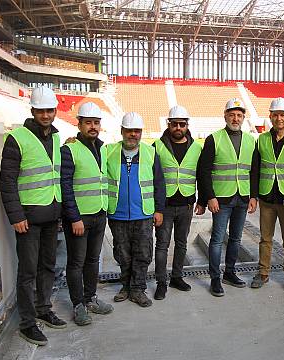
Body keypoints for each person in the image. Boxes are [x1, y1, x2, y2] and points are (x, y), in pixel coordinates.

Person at [0, 86, 66, 346]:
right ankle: (28, 323)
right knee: (27, 272)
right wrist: (16, 215)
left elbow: (54, 177)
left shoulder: (57, 139)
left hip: (51, 215)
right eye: (41, 111)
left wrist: (58, 210)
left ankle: (43, 308)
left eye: (50, 110)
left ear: (55, 111)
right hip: (27, 218)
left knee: (47, 266)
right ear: (33, 111)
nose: (46, 115)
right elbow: (7, 181)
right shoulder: (17, 138)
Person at [196, 98, 258, 297]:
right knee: (216, 240)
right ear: (225, 116)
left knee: (236, 238)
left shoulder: (250, 140)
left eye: (239, 115)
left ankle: (229, 273)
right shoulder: (214, 139)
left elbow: (254, 171)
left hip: (242, 197)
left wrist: (253, 196)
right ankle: (215, 278)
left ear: (243, 118)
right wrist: (209, 197)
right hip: (221, 198)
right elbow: (204, 171)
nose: (235, 118)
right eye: (232, 114)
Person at [60, 102, 114, 326]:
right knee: (76, 262)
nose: (93, 127)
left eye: (96, 123)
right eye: (88, 123)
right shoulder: (69, 149)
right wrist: (74, 218)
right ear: (79, 124)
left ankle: (91, 298)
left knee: (92, 260)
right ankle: (78, 304)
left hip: (99, 213)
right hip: (79, 218)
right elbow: (66, 186)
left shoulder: (102, 148)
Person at [107, 112, 166, 308]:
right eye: (129, 130)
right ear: (122, 131)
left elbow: (159, 183)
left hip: (144, 214)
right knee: (122, 253)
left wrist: (159, 210)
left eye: (137, 131)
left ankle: (138, 289)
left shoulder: (150, 153)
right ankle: (126, 286)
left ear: (141, 133)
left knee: (143, 253)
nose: (133, 134)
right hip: (118, 213)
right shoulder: (108, 152)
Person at [250, 97, 284, 292]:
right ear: (270, 117)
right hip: (266, 198)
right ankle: (263, 272)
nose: (279, 118)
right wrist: (254, 196)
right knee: (265, 238)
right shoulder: (262, 139)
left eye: (282, 115)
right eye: (275, 115)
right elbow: (255, 169)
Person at [153, 105, 202, 300]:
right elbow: (152, 177)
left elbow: (201, 175)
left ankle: (177, 277)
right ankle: (161, 282)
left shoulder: (197, 148)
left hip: (186, 205)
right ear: (169, 125)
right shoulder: (156, 146)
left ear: (187, 125)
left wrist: (202, 201)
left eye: (182, 124)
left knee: (181, 243)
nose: (178, 127)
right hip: (164, 206)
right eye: (175, 124)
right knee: (162, 245)